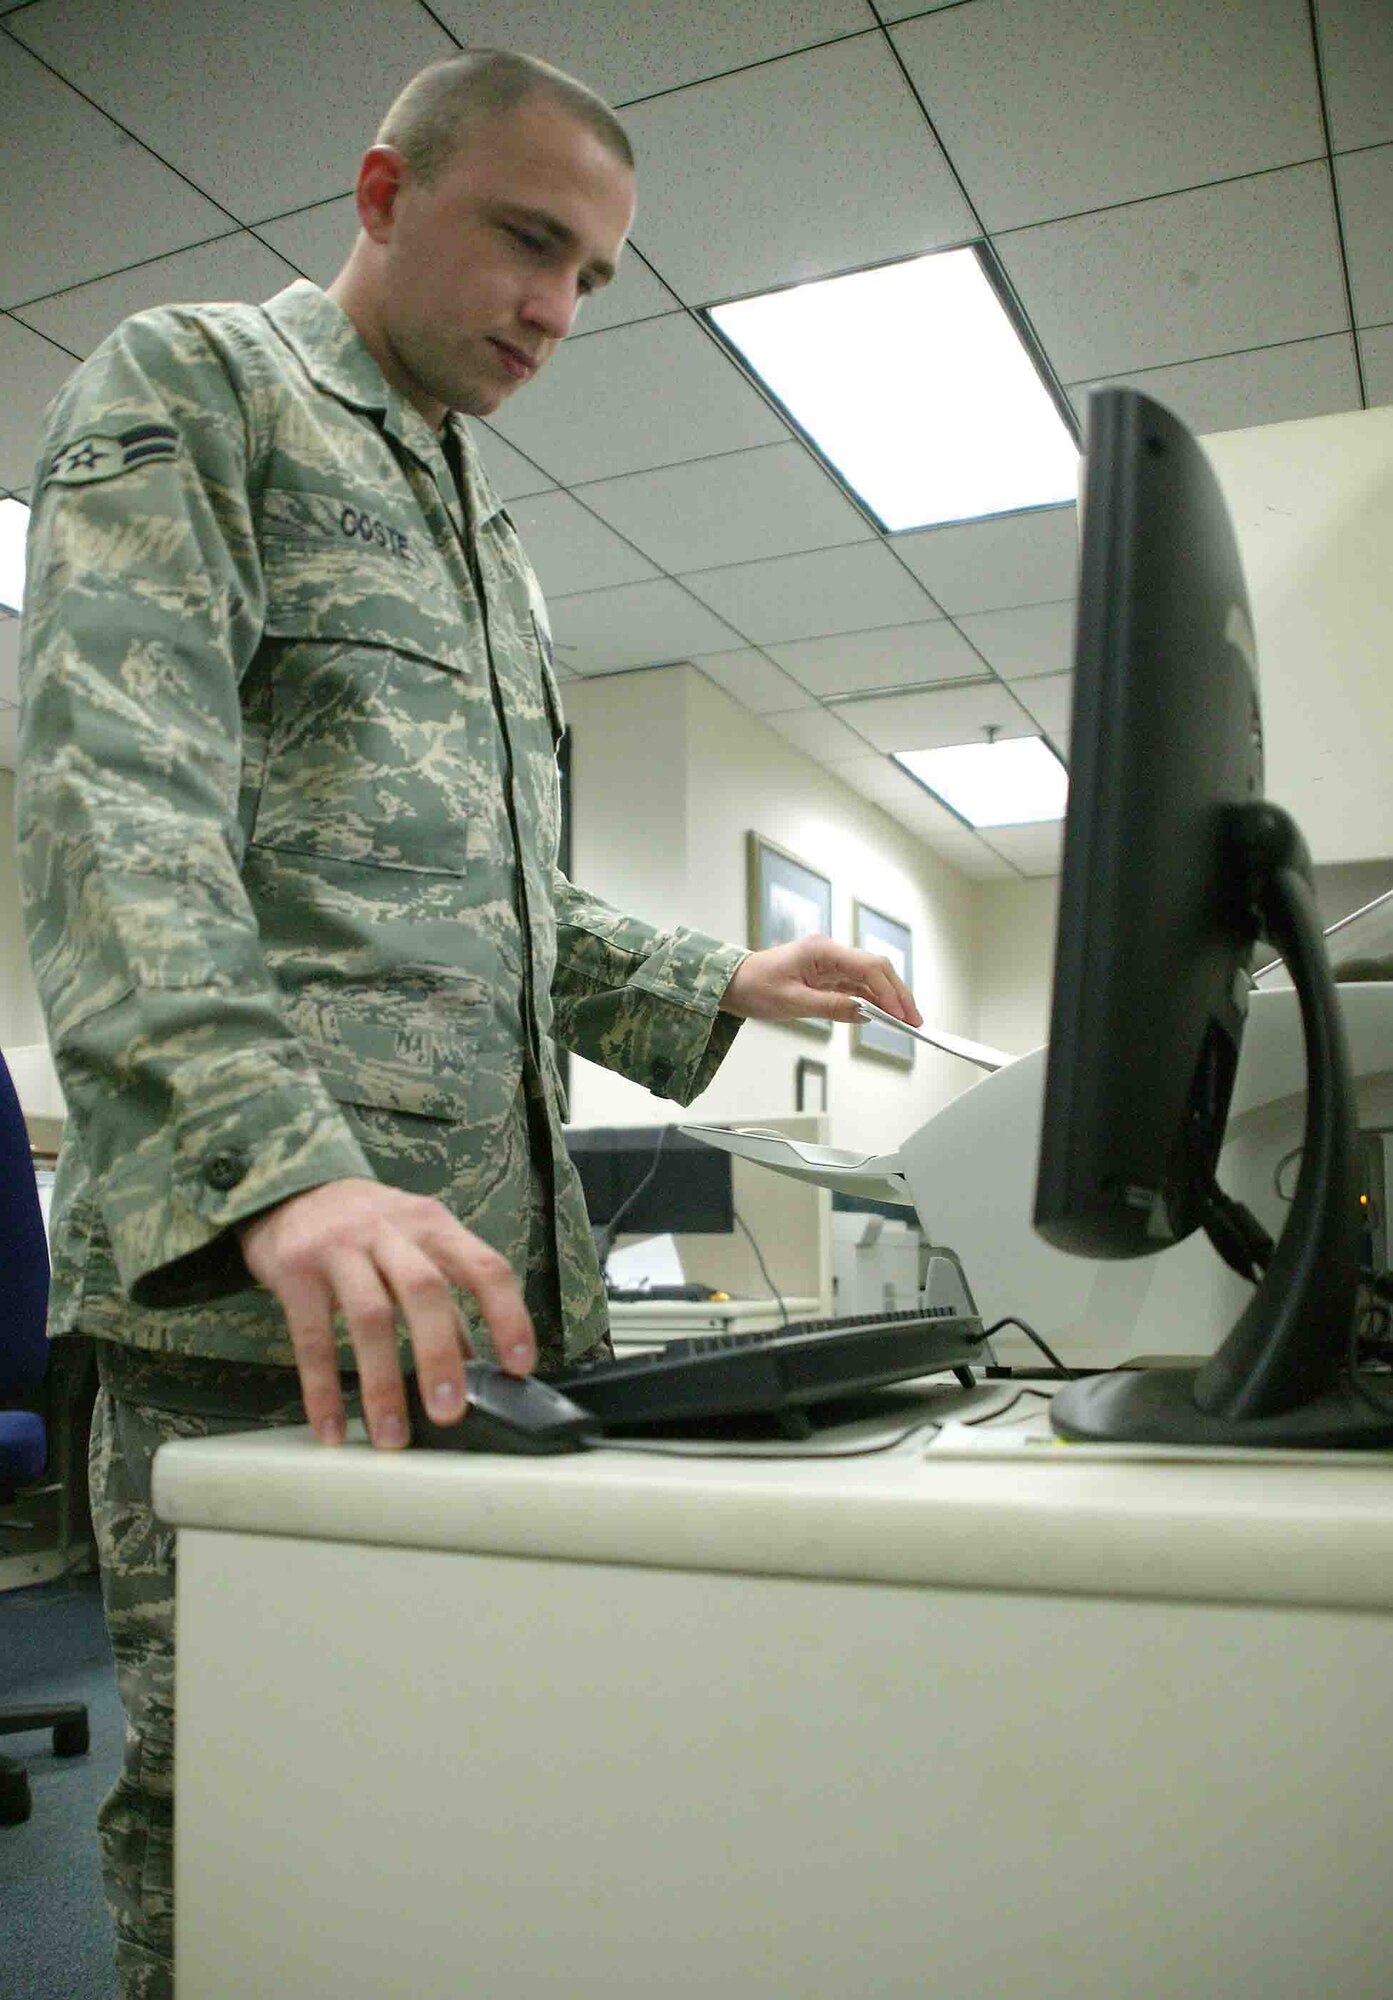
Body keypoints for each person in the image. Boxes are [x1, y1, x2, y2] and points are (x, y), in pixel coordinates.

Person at [15, 48, 921, 1998]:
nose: (555, 311)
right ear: (379, 189)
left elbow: (485, 900)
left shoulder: (489, 542)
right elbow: (110, 794)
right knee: (260, 1829)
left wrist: (715, 981)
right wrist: (277, 1170)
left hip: (488, 1314)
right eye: (528, 241)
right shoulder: (200, 391)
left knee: (456, 1818)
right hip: (266, 1316)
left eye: (591, 273)